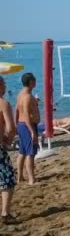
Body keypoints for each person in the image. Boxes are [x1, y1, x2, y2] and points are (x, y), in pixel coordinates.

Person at [15, 73, 39, 185]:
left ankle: (20, 177)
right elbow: (25, 114)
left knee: (22, 152)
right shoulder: (27, 96)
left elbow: (16, 111)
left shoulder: (21, 94)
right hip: (27, 126)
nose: (35, 81)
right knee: (30, 153)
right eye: (34, 79)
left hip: (21, 125)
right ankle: (31, 180)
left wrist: (16, 125)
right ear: (30, 82)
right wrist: (32, 131)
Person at [0, 76, 16, 223]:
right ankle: (5, 213)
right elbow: (11, 128)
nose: (5, 87)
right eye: (4, 84)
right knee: (8, 179)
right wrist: (7, 143)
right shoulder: (3, 103)